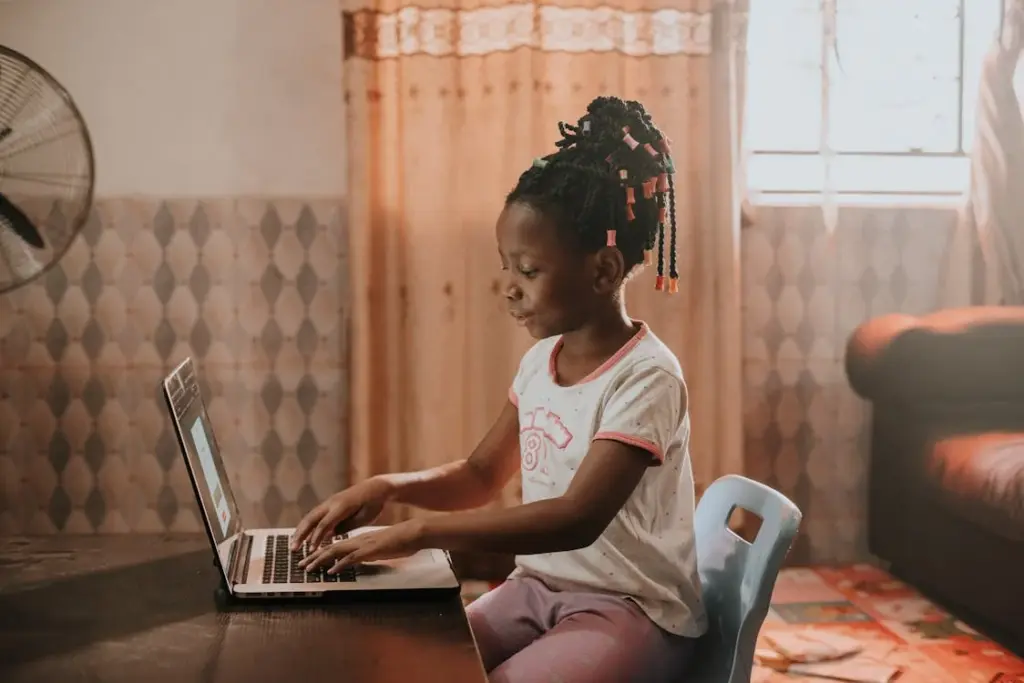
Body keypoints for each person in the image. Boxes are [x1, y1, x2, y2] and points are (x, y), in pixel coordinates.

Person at [292, 95, 707, 683]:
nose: (508, 288)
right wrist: (386, 487)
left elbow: (576, 518)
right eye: (505, 266)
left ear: (605, 270)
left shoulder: (646, 377)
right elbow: (482, 474)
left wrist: (417, 532)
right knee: (416, 665)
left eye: (529, 271)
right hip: (538, 589)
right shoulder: (541, 362)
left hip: (632, 610)